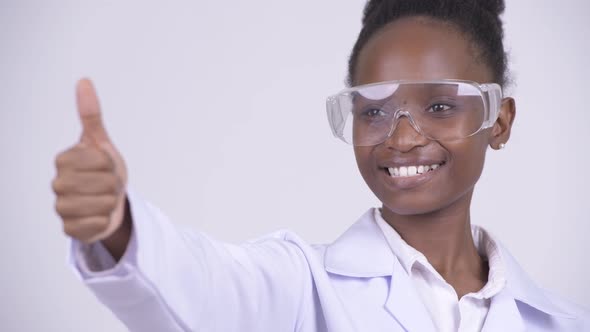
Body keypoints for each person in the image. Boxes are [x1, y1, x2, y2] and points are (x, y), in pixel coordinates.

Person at [52, 0, 589, 331]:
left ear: (500, 120)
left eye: (440, 105)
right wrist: (118, 223)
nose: (401, 137)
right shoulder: (299, 286)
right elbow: (202, 285)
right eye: (374, 110)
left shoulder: (564, 322)